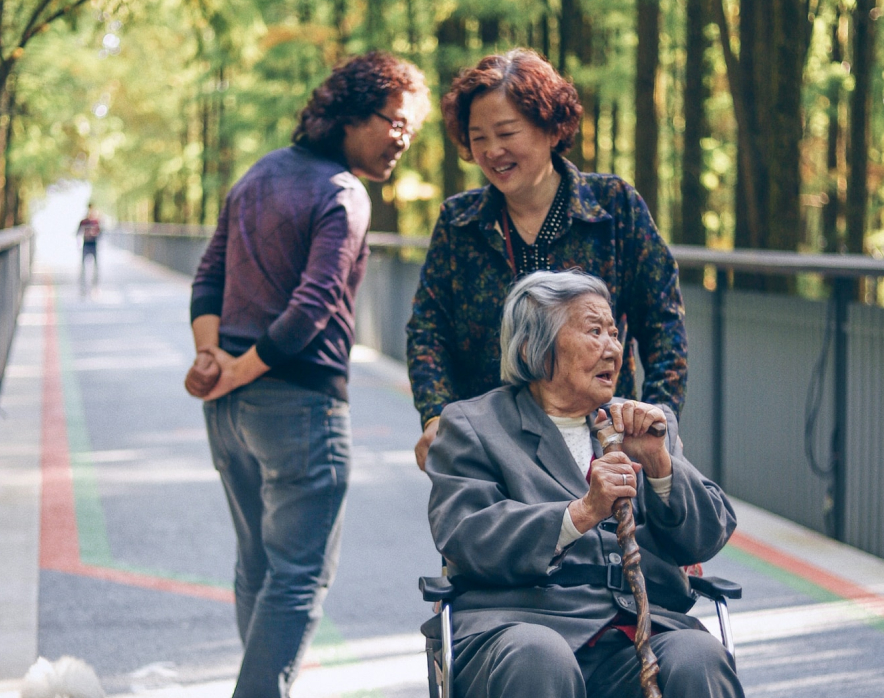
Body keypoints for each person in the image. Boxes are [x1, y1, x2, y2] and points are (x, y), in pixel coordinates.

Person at [188, 51, 429, 698]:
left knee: (258, 568)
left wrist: (211, 356)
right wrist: (235, 370)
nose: (403, 138)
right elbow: (315, 305)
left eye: (412, 129)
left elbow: (209, 275)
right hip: (299, 406)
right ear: (351, 113)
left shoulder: (258, 175)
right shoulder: (343, 192)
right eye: (394, 121)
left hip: (230, 414)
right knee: (298, 578)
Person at [423, 269, 742, 698]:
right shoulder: (474, 425)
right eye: (595, 331)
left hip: (635, 636)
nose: (613, 348)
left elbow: (708, 535)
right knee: (540, 657)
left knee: (697, 656)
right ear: (535, 346)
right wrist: (582, 513)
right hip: (519, 628)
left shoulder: (637, 424)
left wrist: (661, 464)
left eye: (614, 333)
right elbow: (465, 534)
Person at [407, 48, 687, 470]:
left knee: (604, 536)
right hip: (491, 448)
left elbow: (663, 323)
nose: (492, 150)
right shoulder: (458, 223)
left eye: (507, 132)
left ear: (552, 129)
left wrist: (658, 420)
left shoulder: (615, 207)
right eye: (478, 136)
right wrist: (436, 414)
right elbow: (429, 330)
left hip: (601, 446)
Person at [76, 203, 101, 293]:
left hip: (93, 245)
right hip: (86, 245)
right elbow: (78, 233)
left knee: (96, 267)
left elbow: (100, 233)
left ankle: (95, 287)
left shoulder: (96, 222)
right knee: (83, 267)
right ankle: (82, 287)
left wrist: (95, 233)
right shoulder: (83, 222)